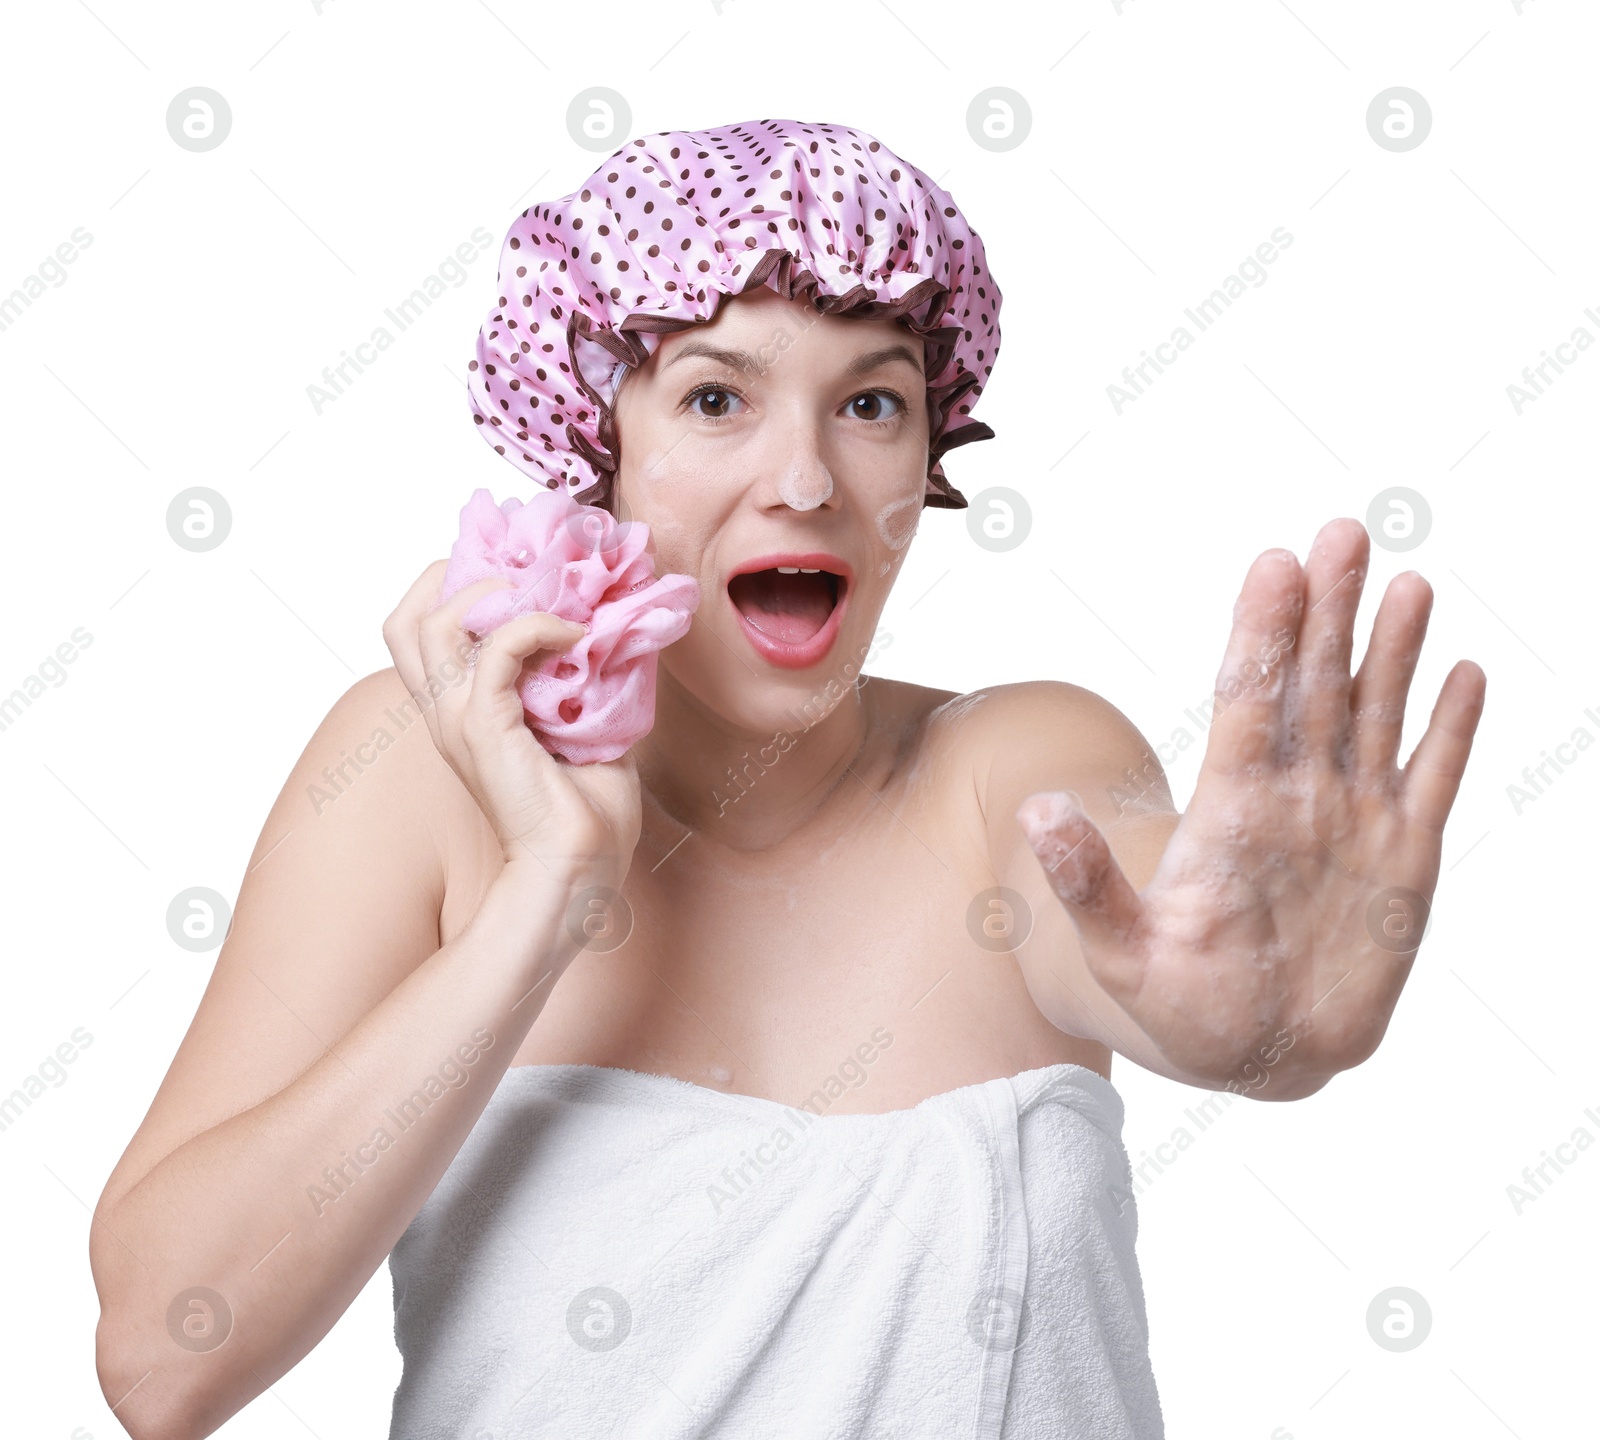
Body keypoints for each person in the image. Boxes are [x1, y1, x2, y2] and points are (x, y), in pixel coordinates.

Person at [90, 118, 1487, 1440]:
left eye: (872, 402)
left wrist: (1256, 1029)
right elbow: (164, 1359)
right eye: (715, 398)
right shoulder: (417, 782)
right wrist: (545, 896)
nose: (808, 479)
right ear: (597, 452)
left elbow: (1160, 954)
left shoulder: (1012, 765)